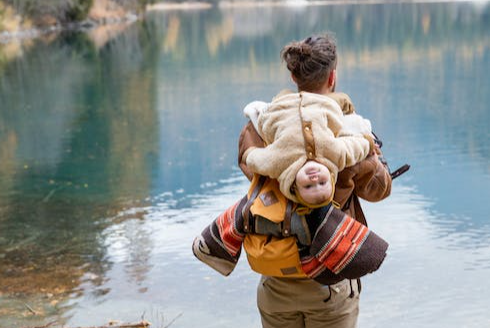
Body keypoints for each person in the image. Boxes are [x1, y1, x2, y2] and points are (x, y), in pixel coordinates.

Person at [237, 33, 392, 328]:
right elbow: (378, 190)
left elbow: (250, 167)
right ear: (332, 77)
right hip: (330, 279)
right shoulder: (347, 129)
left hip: (275, 278)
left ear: (293, 76)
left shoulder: (262, 126)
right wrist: (371, 156)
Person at [242, 90, 374, 208]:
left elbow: (257, 160)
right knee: (343, 100)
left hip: (282, 107)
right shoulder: (336, 155)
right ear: (331, 177)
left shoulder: (279, 163)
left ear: (294, 186)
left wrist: (249, 154)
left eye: (308, 186)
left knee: (281, 96)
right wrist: (368, 142)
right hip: (320, 104)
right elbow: (354, 148)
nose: (315, 179)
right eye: (323, 182)